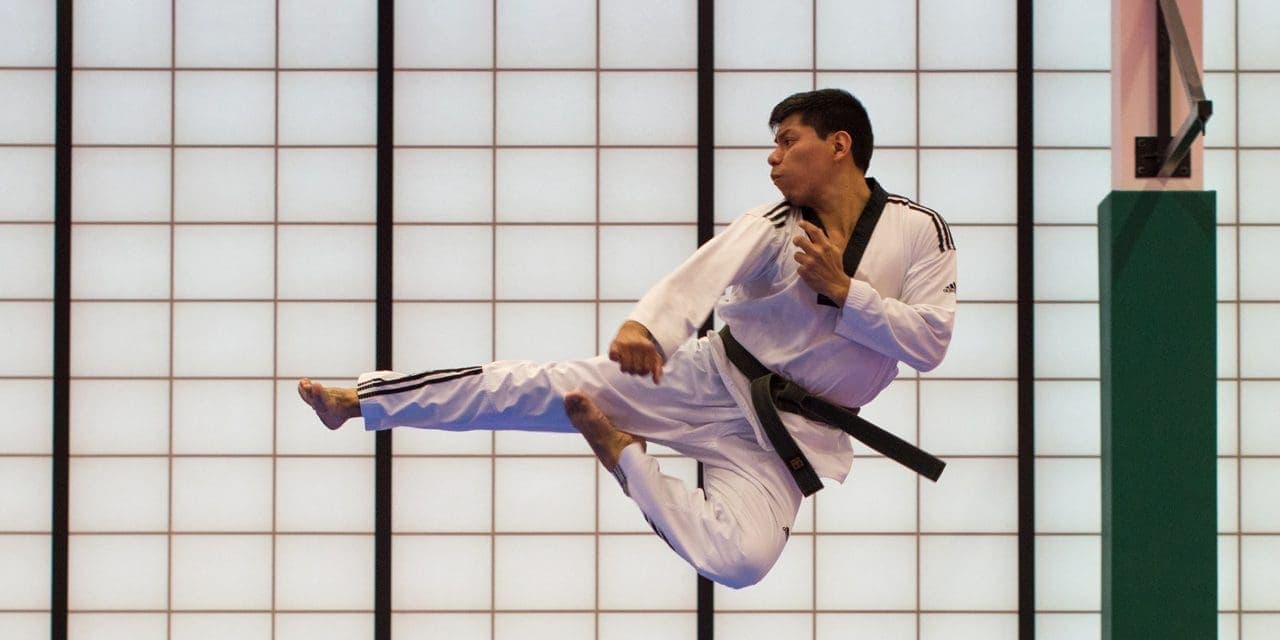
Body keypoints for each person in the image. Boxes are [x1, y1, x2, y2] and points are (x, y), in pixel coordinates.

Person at [298, 88, 957, 588]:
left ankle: (624, 456)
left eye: (788, 140)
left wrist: (847, 292)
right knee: (538, 388)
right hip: (711, 378)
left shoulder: (919, 232)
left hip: (793, 433)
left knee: (741, 562)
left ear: (839, 145)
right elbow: (698, 280)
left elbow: (929, 342)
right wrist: (648, 327)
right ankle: (361, 400)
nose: (772, 155)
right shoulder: (773, 224)